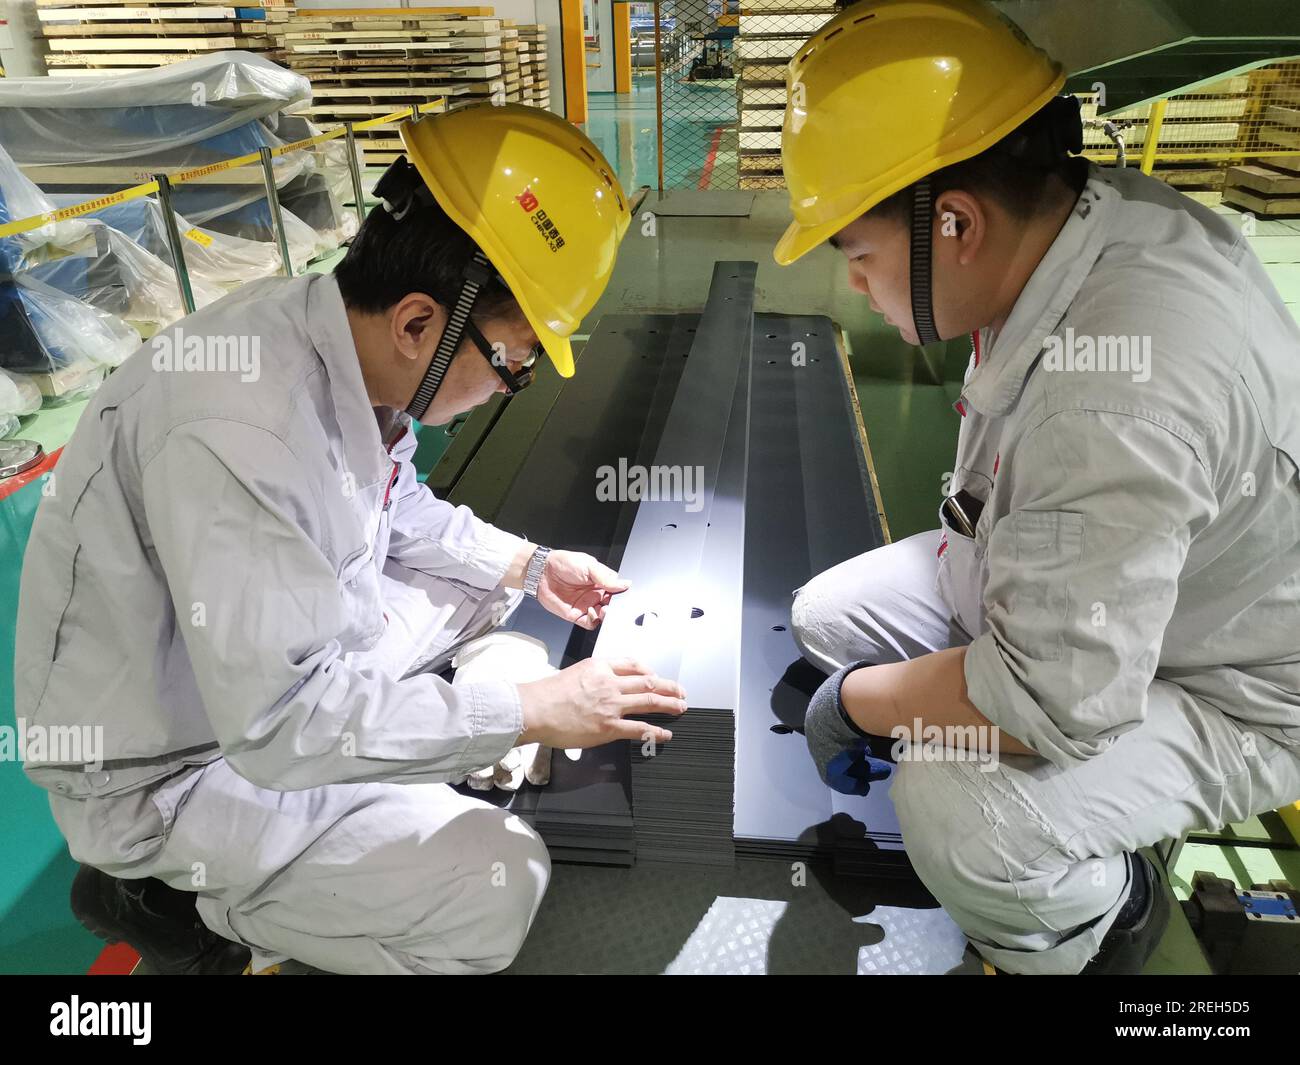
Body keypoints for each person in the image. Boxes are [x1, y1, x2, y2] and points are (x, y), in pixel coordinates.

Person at [15, 104, 686, 975]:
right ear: (419, 323)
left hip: (247, 669)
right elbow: (280, 723)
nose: (508, 385)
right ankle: (174, 896)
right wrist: (528, 711)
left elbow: (394, 505)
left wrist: (533, 564)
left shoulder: (333, 335)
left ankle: (374, 778)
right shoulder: (242, 427)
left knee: (491, 588)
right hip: (176, 764)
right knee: (499, 884)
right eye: (515, 364)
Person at [779, 0, 1300, 974]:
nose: (854, 286)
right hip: (1123, 578)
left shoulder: (1108, 400)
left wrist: (857, 705)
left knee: (957, 809)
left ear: (955, 223)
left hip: (1230, 680)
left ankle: (1093, 919)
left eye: (856, 254)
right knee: (827, 617)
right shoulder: (1081, 223)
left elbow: (1048, 708)